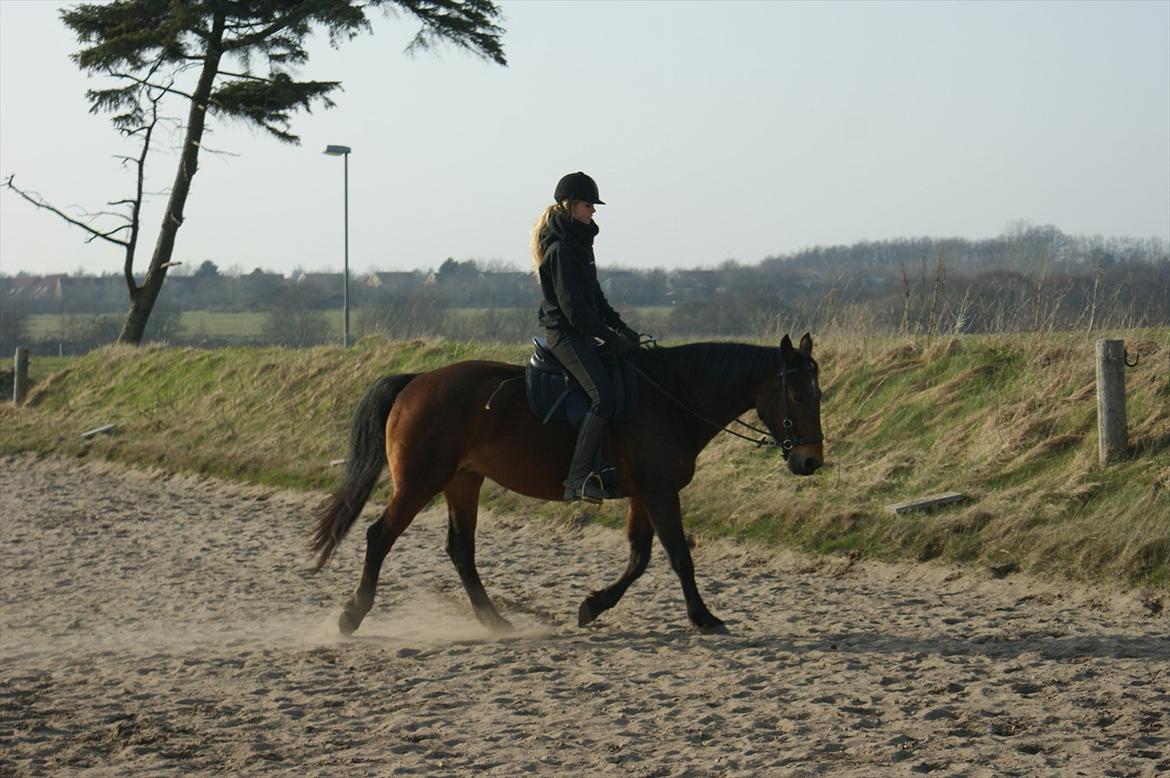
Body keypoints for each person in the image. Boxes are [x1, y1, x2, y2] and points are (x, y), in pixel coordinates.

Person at [531, 171, 641, 503]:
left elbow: (596, 300)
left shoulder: (579, 245)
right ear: (569, 206)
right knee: (603, 397)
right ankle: (576, 478)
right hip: (564, 334)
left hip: (580, 331)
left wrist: (623, 330)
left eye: (593, 205)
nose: (593, 211)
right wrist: (609, 338)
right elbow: (574, 311)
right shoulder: (563, 250)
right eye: (588, 204)